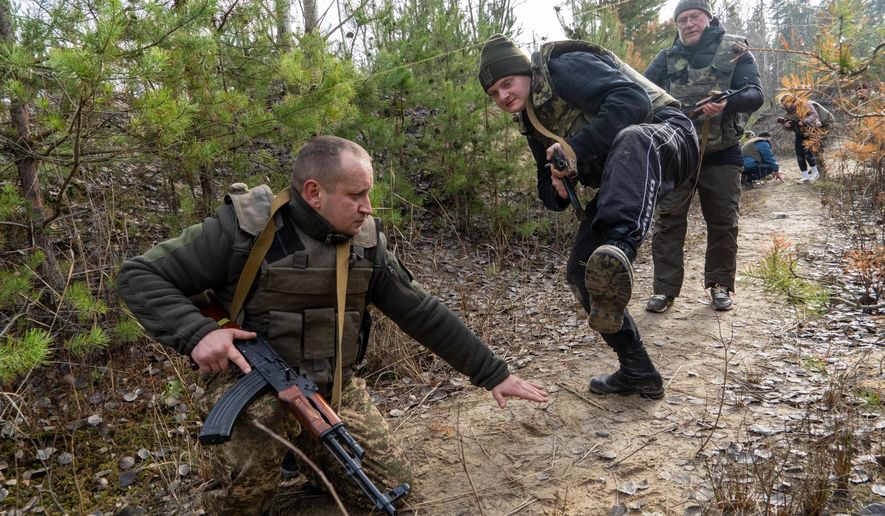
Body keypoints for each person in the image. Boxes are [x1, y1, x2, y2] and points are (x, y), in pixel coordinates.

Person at [117, 135, 549, 514]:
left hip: (331, 388)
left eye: (369, 194)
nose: (368, 208)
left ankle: (306, 456)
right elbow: (139, 276)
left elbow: (421, 311)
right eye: (357, 195)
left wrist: (493, 372)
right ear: (313, 192)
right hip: (250, 384)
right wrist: (200, 333)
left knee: (389, 495)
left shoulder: (365, 242)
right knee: (248, 489)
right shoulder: (245, 228)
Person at [478, 34, 698, 399]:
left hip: (668, 134)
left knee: (632, 138)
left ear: (525, 72)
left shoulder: (562, 68)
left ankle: (618, 249)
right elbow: (549, 193)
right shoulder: (533, 122)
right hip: (624, 169)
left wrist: (574, 149)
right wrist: (559, 187)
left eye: (506, 83)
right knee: (582, 271)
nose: (502, 96)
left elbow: (633, 100)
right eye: (493, 94)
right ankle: (637, 370)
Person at [643, 0, 763, 313]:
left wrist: (727, 102)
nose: (688, 23)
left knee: (723, 222)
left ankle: (720, 285)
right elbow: (640, 93)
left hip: (722, 153)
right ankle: (664, 290)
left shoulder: (735, 49)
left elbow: (755, 94)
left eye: (694, 16)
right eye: (681, 19)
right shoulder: (666, 57)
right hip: (678, 154)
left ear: (708, 18)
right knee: (667, 222)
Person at [779, 93, 822, 184]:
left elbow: (814, 115)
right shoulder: (788, 114)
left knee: (808, 152)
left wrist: (805, 121)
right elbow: (789, 128)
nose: (785, 105)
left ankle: (815, 172)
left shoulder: (805, 104)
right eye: (783, 104)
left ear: (791, 100)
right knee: (799, 154)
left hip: (811, 131)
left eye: (786, 103)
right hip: (799, 134)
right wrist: (786, 126)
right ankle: (805, 175)